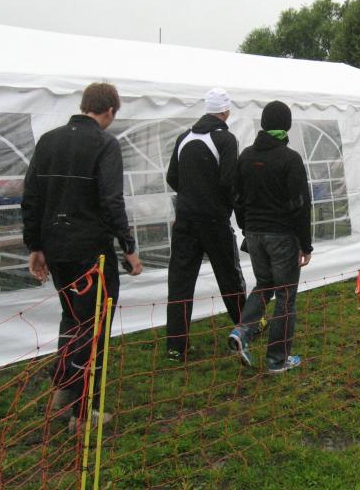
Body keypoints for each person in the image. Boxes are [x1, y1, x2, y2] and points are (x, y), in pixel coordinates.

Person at [22, 82, 142, 430]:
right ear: (110, 111)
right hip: (91, 252)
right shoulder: (105, 144)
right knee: (94, 328)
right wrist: (129, 248)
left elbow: (31, 197)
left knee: (72, 319)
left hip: (56, 248)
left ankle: (63, 388)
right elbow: (111, 201)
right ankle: (84, 412)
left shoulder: (48, 141)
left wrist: (35, 246)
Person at [227, 100, 312, 374]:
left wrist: (246, 227)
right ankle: (277, 359)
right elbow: (300, 205)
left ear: (263, 124)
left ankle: (242, 331)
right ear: (287, 125)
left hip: (254, 233)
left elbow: (236, 197)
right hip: (282, 236)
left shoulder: (246, 156)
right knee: (286, 295)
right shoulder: (290, 159)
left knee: (264, 285)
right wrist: (306, 244)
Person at [165, 88, 246, 361]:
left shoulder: (184, 137)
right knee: (229, 275)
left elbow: (172, 177)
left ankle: (176, 345)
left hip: (185, 219)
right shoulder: (226, 139)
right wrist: (222, 206)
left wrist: (191, 195)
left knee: (180, 282)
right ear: (225, 111)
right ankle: (245, 326)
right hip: (214, 220)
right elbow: (229, 181)